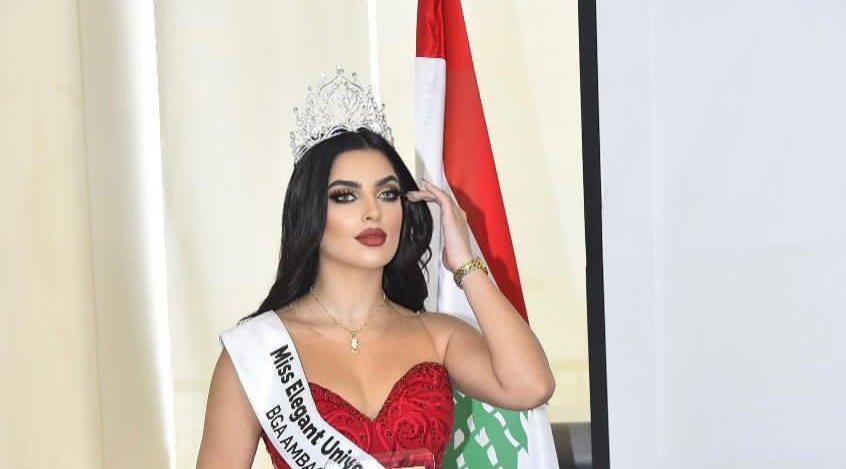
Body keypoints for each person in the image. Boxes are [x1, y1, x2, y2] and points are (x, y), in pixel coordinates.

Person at [196, 68, 555, 469]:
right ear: (311, 212)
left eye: (387, 194)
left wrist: (464, 262)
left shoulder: (437, 336)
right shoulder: (256, 352)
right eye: (345, 196)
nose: (373, 212)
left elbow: (531, 386)